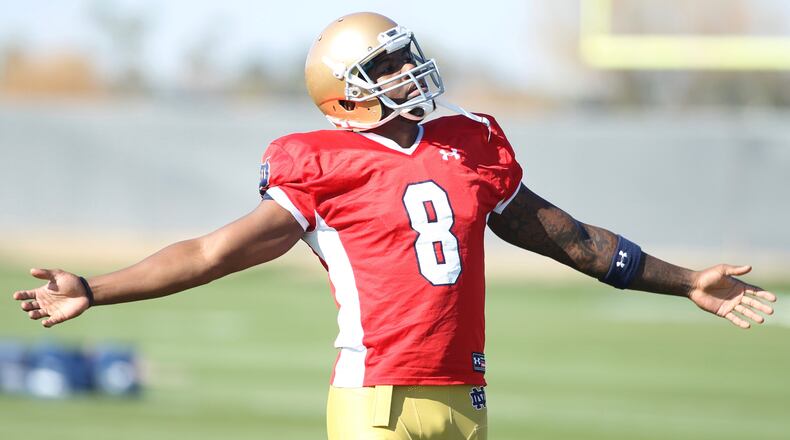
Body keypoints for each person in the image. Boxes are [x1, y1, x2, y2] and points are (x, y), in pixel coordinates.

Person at [12, 12, 777, 440]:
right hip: (376, 400)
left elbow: (569, 237)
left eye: (403, 56)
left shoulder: (469, 142)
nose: (407, 72)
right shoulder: (318, 162)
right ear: (345, 94)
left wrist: (683, 282)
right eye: (384, 66)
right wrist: (94, 288)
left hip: (465, 399)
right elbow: (214, 252)